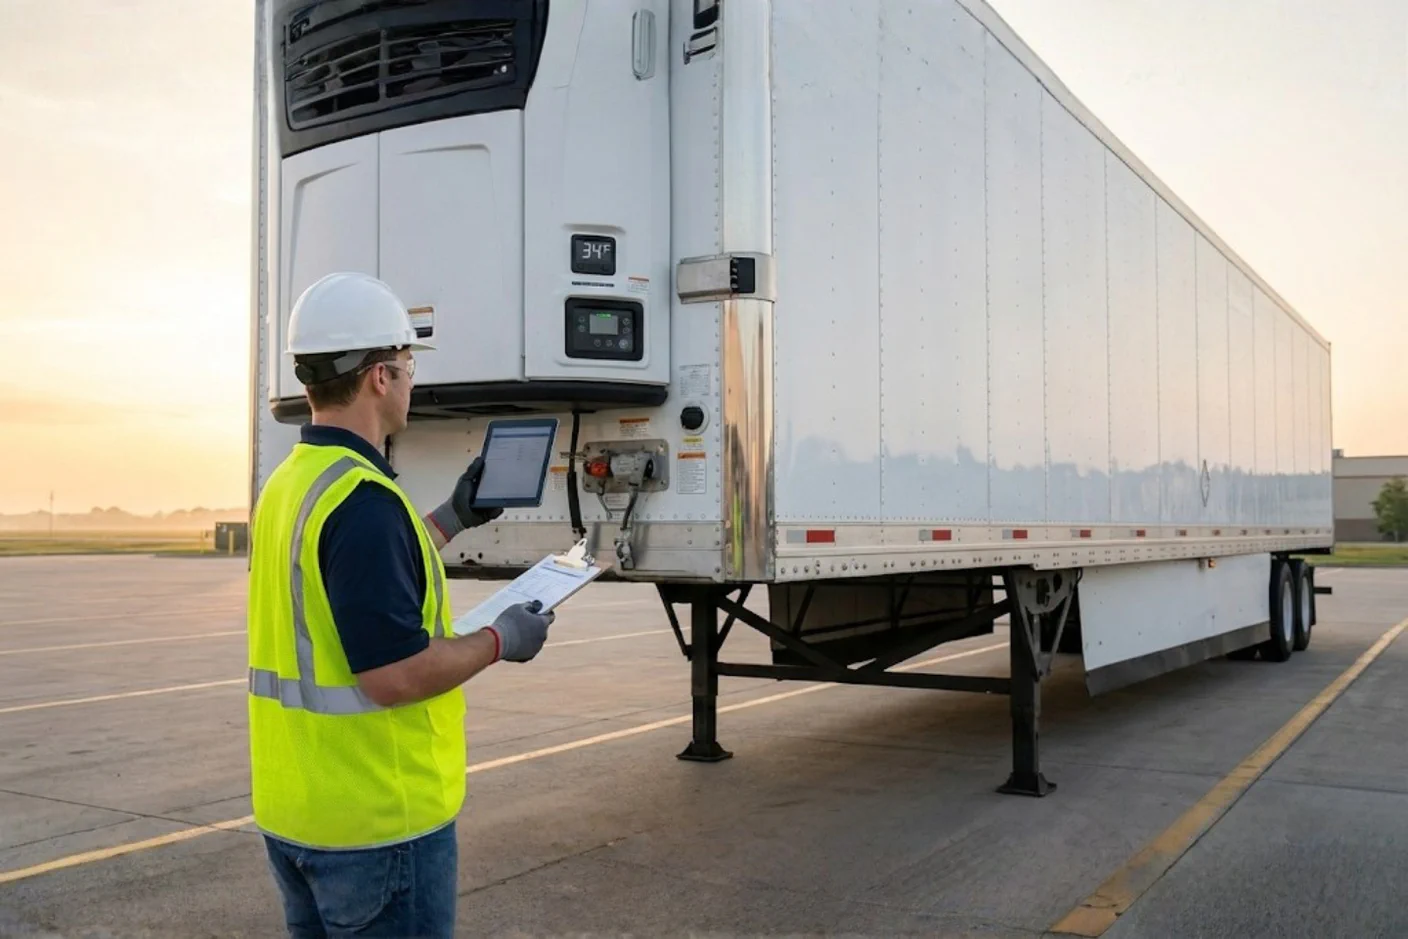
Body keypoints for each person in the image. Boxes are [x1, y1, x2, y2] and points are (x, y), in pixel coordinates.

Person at [246, 271, 556, 938]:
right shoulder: (362, 503)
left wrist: (451, 516)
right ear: (379, 376)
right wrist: (502, 637)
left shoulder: (292, 484)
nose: (413, 378)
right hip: (378, 825)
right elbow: (393, 675)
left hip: (298, 815)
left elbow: (354, 583)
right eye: (408, 363)